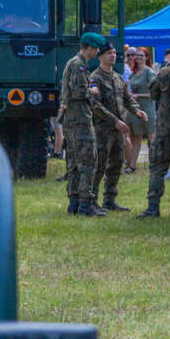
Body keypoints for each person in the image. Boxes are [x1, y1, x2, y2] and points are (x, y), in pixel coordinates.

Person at [90, 41, 147, 213]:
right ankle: (91, 201)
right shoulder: (95, 78)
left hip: (118, 130)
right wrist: (115, 121)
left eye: (114, 53)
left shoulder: (117, 77)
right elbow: (96, 106)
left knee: (116, 165)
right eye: (109, 53)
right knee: (99, 165)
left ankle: (110, 200)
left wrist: (137, 110)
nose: (113, 56)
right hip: (103, 129)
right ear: (100, 56)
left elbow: (127, 98)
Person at [61, 31, 105, 216]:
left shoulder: (73, 63)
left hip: (71, 119)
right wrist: (92, 91)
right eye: (96, 48)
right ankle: (85, 205)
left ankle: (74, 202)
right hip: (80, 119)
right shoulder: (79, 65)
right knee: (88, 162)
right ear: (90, 47)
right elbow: (79, 92)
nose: (97, 52)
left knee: (73, 162)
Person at [138, 56, 170, 218]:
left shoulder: (166, 72)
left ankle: (153, 207)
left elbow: (153, 93)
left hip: (165, 126)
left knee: (157, 167)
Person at [126, 49, 156, 173]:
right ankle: (132, 166)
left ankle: (154, 165)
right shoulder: (133, 73)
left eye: (141, 55)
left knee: (151, 137)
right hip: (135, 109)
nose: (138, 57)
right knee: (136, 137)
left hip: (148, 109)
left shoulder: (150, 73)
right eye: (137, 55)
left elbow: (154, 93)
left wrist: (139, 95)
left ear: (146, 57)